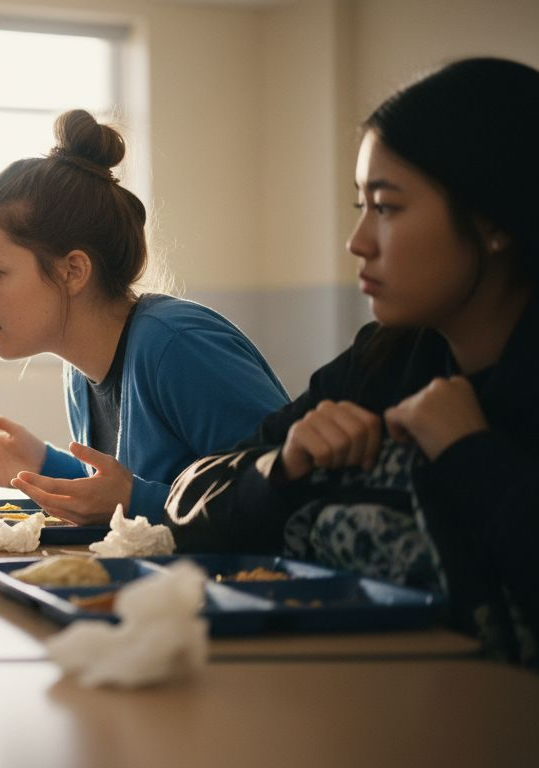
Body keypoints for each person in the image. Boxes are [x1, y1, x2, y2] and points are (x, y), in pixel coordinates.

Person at [164, 58, 539, 666]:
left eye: (386, 208)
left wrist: (470, 454)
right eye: (359, 205)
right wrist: (281, 468)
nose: (358, 241)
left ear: (493, 220)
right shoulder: (386, 360)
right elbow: (191, 496)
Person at [0, 110, 289, 525]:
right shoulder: (78, 373)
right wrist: (43, 464)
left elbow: (286, 494)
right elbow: (116, 492)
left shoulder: (177, 345)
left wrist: (137, 502)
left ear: (73, 271)